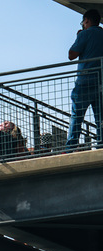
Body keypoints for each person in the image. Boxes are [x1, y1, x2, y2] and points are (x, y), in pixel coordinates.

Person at [66, 9, 103, 149]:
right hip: (101, 81)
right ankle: (101, 145)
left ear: (87, 20)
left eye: (83, 22)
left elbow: (71, 55)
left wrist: (78, 37)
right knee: (101, 118)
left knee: (77, 117)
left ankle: (71, 148)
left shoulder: (85, 34)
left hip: (84, 81)